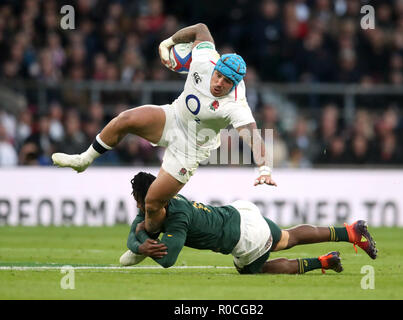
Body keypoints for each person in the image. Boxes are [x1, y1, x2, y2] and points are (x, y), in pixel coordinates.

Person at [51, 23, 276, 233]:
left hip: (192, 147)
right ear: (215, 67)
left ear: (235, 84)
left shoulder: (236, 104)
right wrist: (168, 42)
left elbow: (253, 137)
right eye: (218, 76)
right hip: (173, 117)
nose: (219, 83)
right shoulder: (204, 59)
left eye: (227, 81)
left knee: (152, 203)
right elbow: (200, 29)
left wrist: (264, 169)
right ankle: (84, 160)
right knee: (125, 119)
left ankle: (146, 240)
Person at [119, 172, 378, 274]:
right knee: (288, 238)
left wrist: (141, 244)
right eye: (139, 203)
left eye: (143, 203)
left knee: (249, 270)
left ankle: (323, 262)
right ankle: (349, 232)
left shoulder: (177, 219)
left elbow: (167, 259)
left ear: (158, 200)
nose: (140, 209)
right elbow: (133, 234)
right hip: (240, 212)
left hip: (244, 235)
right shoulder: (159, 201)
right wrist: (140, 245)